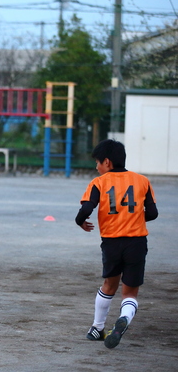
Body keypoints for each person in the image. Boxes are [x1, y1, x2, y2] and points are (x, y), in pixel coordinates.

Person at [75, 139, 158, 349]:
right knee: (130, 292)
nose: (96, 167)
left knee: (109, 284)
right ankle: (124, 320)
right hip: (137, 242)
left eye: (97, 163)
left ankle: (97, 327)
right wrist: (134, 219)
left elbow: (86, 210)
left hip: (111, 243)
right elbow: (153, 213)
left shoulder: (99, 182)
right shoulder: (142, 181)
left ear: (107, 162)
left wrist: (80, 222)